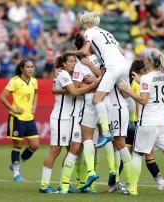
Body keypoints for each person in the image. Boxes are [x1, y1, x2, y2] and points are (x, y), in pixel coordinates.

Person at [119, 49, 164, 196]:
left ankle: (132, 188)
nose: (143, 61)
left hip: (148, 122)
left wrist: (128, 90)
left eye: (145, 59)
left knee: (137, 154)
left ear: (150, 62)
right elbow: (152, 89)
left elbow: (143, 100)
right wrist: (140, 81)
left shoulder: (146, 78)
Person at [39, 52, 100, 194]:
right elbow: (74, 92)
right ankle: (44, 185)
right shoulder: (63, 74)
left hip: (70, 117)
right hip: (61, 117)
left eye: (74, 61)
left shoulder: (68, 75)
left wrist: (58, 89)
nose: (74, 63)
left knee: (72, 150)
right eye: (71, 61)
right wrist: (95, 84)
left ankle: (63, 185)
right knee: (55, 151)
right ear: (64, 64)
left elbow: (64, 89)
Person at [74, 11, 130, 149]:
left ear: (87, 23)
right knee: (126, 94)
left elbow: (84, 49)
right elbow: (122, 51)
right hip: (124, 65)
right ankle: (133, 121)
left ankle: (106, 132)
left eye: (83, 26)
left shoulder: (90, 31)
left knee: (96, 100)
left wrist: (70, 53)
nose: (83, 29)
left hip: (112, 67)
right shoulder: (108, 33)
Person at [0, 59, 39, 182]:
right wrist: (13, 109)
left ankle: (16, 163)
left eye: (32, 66)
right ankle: (16, 174)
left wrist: (34, 106)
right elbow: (2, 97)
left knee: (35, 145)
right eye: (28, 67)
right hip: (17, 118)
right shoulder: (15, 81)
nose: (31, 69)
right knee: (17, 145)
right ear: (22, 68)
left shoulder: (34, 81)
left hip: (29, 118)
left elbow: (35, 93)